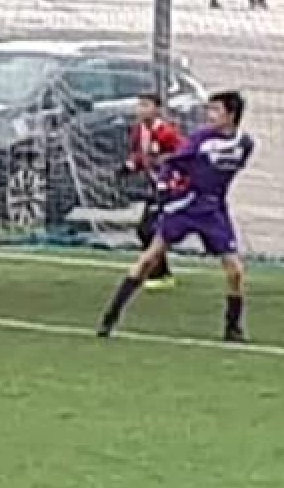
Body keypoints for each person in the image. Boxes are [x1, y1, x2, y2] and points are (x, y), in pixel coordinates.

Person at [98, 91, 255, 342]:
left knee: (235, 270)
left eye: (215, 110)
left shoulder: (244, 144)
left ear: (231, 115)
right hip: (186, 205)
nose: (209, 115)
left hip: (214, 211)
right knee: (149, 258)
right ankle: (110, 317)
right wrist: (164, 186)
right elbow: (174, 161)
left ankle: (233, 327)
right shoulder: (200, 139)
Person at [127, 94, 184, 290]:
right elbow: (139, 155)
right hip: (155, 185)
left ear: (157, 109)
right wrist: (130, 165)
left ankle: (158, 273)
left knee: (148, 229)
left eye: (146, 105)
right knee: (149, 230)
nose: (140, 110)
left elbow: (182, 154)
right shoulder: (139, 130)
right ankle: (159, 272)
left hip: (171, 187)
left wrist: (167, 162)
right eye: (139, 105)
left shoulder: (166, 132)